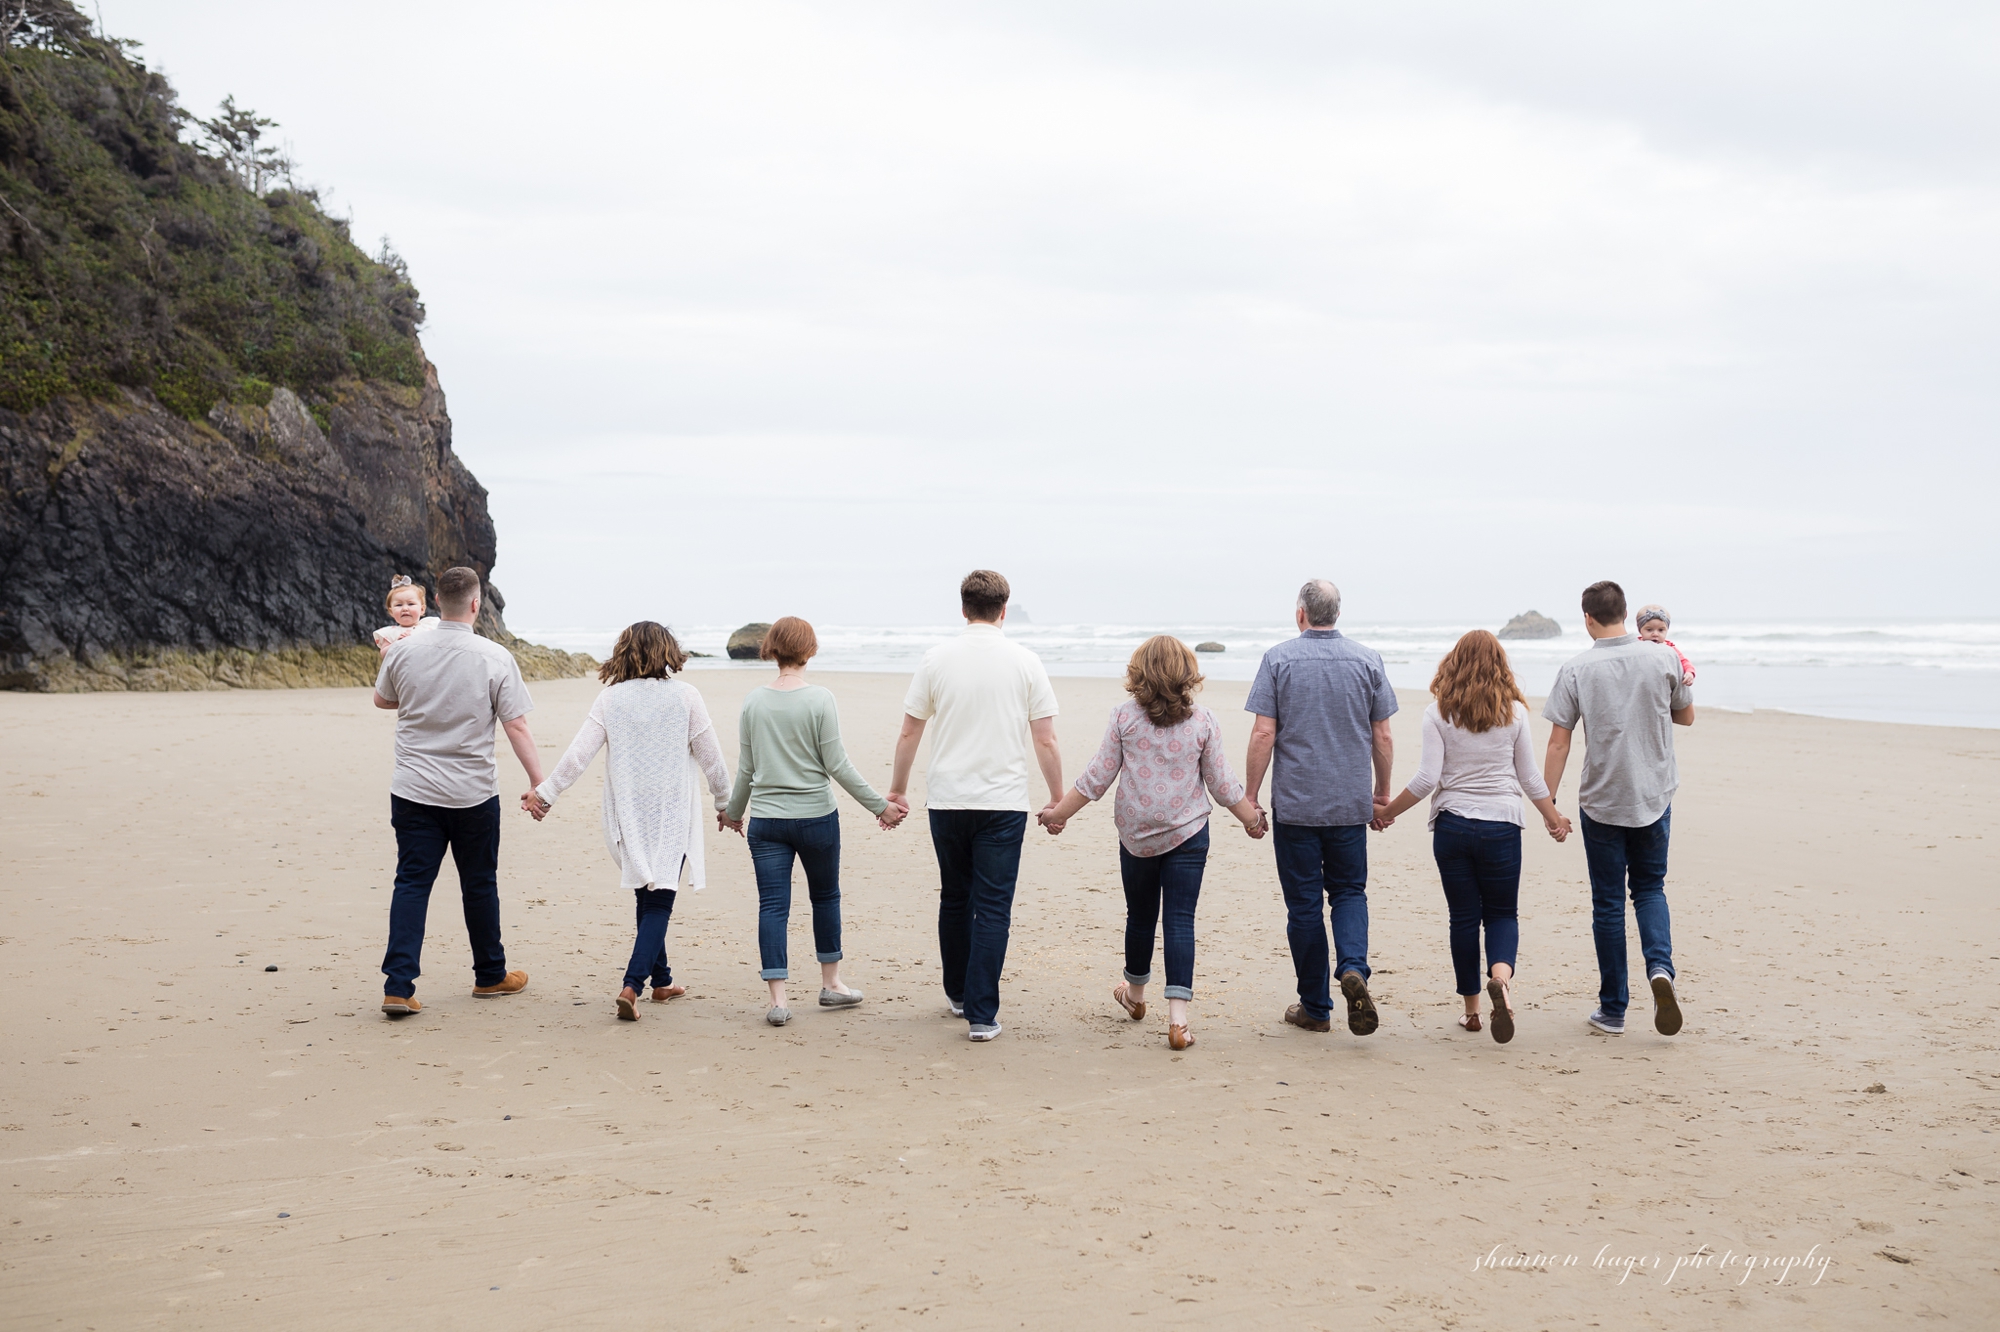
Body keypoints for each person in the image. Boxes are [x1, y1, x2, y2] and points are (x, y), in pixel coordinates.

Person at [1036, 636, 1266, 1051]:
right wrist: (1251, 818)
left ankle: (1136, 997)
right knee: (1180, 920)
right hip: (1189, 833)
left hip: (1136, 836)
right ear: (1186, 674)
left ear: (1138, 673)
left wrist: (1058, 814)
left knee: (1140, 916)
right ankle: (1178, 1022)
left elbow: (1097, 777)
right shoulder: (1203, 720)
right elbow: (1221, 784)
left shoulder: (1124, 717)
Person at [524, 621, 732, 1023]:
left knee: (647, 893)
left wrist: (546, 794)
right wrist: (725, 804)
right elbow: (712, 759)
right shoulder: (686, 697)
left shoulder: (611, 699)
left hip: (627, 814)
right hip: (673, 814)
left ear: (623, 652)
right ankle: (632, 986)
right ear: (670, 652)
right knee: (658, 901)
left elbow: (577, 756)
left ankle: (663, 982)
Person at [1370, 630, 1570, 1044]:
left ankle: (1473, 1012)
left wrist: (1387, 813)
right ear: (1501, 666)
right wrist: (1553, 818)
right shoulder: (1513, 713)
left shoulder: (1437, 713)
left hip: (1453, 826)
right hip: (1502, 825)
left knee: (1463, 917)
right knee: (1501, 913)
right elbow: (1529, 776)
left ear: (1454, 663)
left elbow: (1427, 778)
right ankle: (1501, 979)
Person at [888, 570, 1061, 1043]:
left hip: (947, 800)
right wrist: (1056, 798)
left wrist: (898, 788)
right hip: (1003, 803)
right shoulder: (1026, 661)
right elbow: (1044, 739)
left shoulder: (936, 659)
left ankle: (959, 994)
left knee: (955, 896)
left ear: (964, 609)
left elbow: (909, 730)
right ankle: (981, 1015)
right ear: (1004, 609)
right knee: (993, 907)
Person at [722, 616, 907, 1028]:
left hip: (767, 821)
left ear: (771, 648)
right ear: (810, 650)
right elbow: (837, 765)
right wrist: (881, 806)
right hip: (816, 818)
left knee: (773, 905)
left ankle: (778, 1000)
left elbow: (746, 770)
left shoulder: (753, 701)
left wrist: (733, 813)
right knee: (825, 897)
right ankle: (831, 984)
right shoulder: (821, 699)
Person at [372, 566, 540, 1015]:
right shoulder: (493, 656)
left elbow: (383, 699)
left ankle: (398, 985)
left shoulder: (402, 651)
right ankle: (489, 975)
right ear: (475, 604)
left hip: (412, 788)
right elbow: (516, 725)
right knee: (479, 883)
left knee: (411, 883)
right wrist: (538, 782)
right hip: (472, 792)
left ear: (435, 604)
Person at [1244, 579, 1398, 1038]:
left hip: (1296, 806)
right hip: (1349, 805)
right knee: (1350, 892)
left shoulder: (1278, 659)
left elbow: (1263, 734)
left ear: (1301, 614)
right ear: (1337, 613)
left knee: (1305, 907)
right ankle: (1353, 967)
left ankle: (1316, 1006)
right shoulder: (1368, 660)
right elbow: (1383, 736)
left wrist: (1250, 797)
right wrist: (1382, 792)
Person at [1542, 580, 1695, 1038]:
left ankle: (1613, 1010)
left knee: (1608, 904)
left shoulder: (1575, 669)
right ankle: (1661, 971)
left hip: (1603, 800)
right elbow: (1685, 716)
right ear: (1625, 615)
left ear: (1588, 618)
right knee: (1650, 890)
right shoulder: (1664, 656)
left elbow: (1558, 741)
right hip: (1654, 795)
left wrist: (1548, 803)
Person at [374, 574, 441, 653]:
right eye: (399, 605)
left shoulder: (430, 625)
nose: (405, 608)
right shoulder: (391, 633)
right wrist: (397, 644)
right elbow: (383, 654)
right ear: (391, 611)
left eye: (411, 604)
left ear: (422, 609)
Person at [1635, 604, 1696, 687]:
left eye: (1661, 630)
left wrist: (1689, 672)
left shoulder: (1670, 648)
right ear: (1640, 630)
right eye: (1649, 630)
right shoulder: (1635, 646)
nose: (1655, 634)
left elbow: (1684, 661)